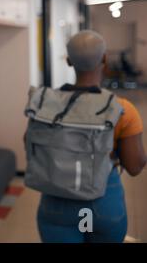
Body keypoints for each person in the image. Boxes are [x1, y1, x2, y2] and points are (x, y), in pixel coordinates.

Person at [36, 30, 146, 243]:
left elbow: (33, 147)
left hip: (56, 202)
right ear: (104, 59)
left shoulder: (45, 105)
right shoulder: (122, 109)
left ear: (68, 61)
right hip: (104, 202)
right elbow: (134, 167)